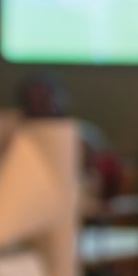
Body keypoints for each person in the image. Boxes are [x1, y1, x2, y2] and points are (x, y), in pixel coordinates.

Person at [16, 71, 124, 199]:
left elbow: (107, 182)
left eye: (44, 101)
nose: (39, 108)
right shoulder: (16, 138)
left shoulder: (84, 137)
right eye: (33, 102)